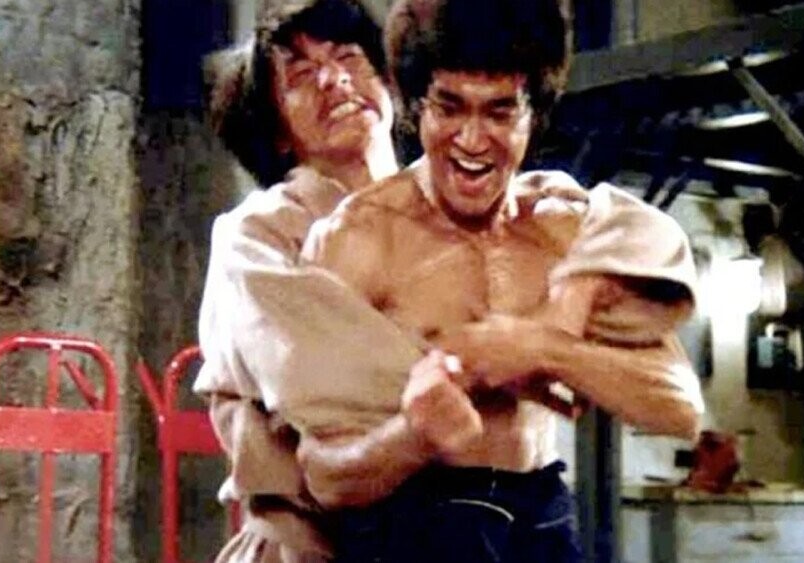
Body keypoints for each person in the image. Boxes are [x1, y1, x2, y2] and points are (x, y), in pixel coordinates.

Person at [287, 0, 705, 561]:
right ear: (417, 108)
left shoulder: (565, 229)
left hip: (540, 513)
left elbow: (679, 406)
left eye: (500, 112)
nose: (472, 140)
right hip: (413, 527)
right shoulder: (357, 240)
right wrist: (413, 436)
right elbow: (321, 476)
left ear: (534, 115)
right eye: (450, 107)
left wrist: (543, 348)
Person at [193, 1, 398, 560]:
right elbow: (336, 386)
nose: (335, 80)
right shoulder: (255, 236)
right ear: (278, 131)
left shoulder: (442, 214)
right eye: (302, 75)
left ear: (389, 85)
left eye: (349, 57)